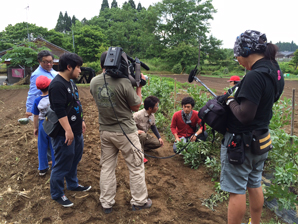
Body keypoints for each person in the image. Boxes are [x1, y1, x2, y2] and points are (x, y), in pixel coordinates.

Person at [220, 30, 284, 224]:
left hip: (241, 143)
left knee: (236, 190)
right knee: (254, 183)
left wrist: (230, 100)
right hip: (261, 139)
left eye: (237, 55)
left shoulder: (254, 76)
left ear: (246, 51)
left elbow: (245, 116)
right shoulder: (275, 70)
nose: (238, 60)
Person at [90, 50, 152, 214]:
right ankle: (139, 201)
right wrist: (138, 86)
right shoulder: (124, 82)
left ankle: (106, 203)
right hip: (126, 133)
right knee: (136, 166)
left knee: (107, 168)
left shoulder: (93, 82)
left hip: (105, 131)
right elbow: (136, 106)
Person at [49, 53, 91, 208]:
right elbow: (59, 110)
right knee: (61, 163)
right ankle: (57, 193)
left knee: (74, 158)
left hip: (76, 129)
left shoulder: (71, 83)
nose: (80, 71)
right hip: (63, 133)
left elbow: (76, 102)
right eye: (78, 67)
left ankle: (73, 184)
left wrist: (82, 120)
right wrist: (68, 130)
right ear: (69, 67)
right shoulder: (57, 85)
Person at [31, 76, 55, 176]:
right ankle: (55, 166)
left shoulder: (37, 100)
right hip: (53, 123)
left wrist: (35, 127)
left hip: (42, 124)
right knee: (54, 145)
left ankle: (43, 168)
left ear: (38, 88)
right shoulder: (53, 98)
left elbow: (35, 115)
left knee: (42, 146)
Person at [26, 50, 58, 118]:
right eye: (46, 62)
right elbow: (33, 92)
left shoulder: (54, 72)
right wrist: (29, 109)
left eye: (51, 62)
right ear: (39, 61)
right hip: (45, 107)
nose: (49, 64)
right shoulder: (37, 75)